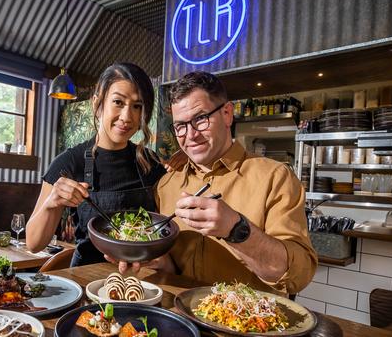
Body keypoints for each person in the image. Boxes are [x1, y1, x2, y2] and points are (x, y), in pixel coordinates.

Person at [127, 71, 316, 296]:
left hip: (245, 325)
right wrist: (154, 260)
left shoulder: (275, 177)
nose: (191, 135)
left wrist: (236, 229)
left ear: (227, 114)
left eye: (200, 119)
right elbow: (173, 269)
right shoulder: (166, 186)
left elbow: (298, 276)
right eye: (180, 126)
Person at [25, 62, 167, 267]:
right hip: (86, 277)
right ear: (97, 103)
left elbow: (163, 230)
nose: (127, 117)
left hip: (138, 280)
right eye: (118, 102)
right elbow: (34, 243)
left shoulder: (150, 163)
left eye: (137, 106)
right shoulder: (69, 163)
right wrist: (52, 203)